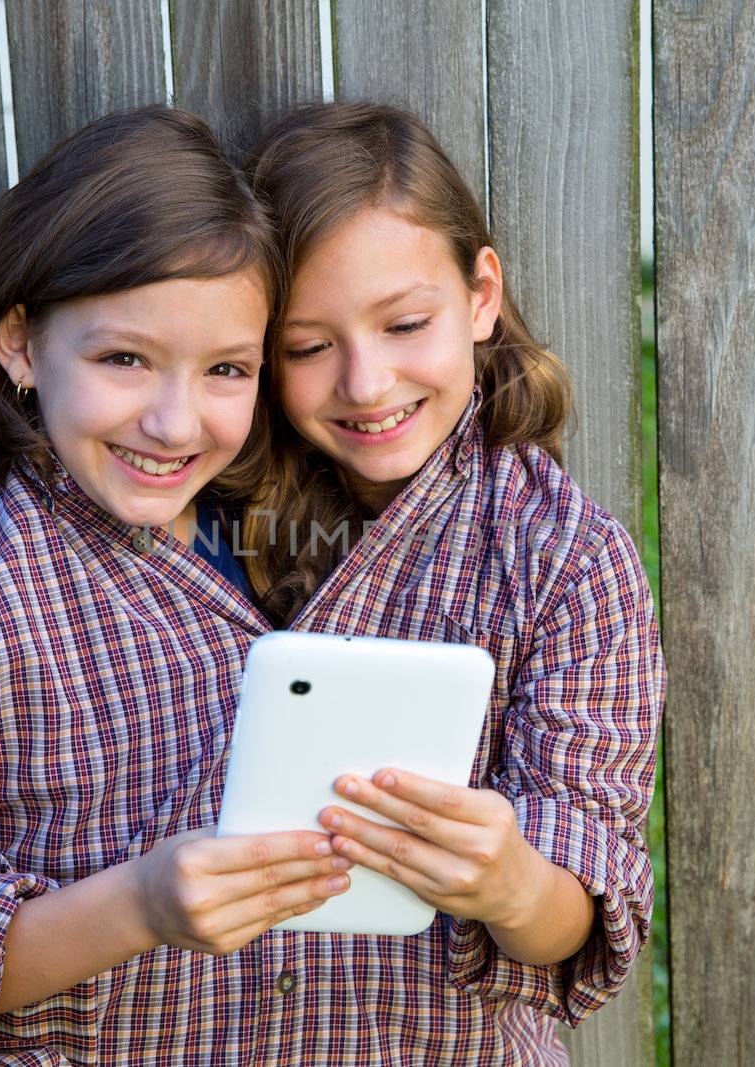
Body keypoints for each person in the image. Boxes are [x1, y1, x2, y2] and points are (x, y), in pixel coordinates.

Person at [0, 107, 352, 1065]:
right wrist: (138, 903)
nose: (174, 423)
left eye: (225, 369)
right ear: (18, 342)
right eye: (123, 358)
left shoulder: (301, 550)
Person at [237, 102, 667, 1062]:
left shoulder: (564, 560)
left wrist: (508, 879)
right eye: (308, 347)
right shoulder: (202, 515)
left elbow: (579, 912)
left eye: (405, 323)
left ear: (480, 295)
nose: (366, 381)